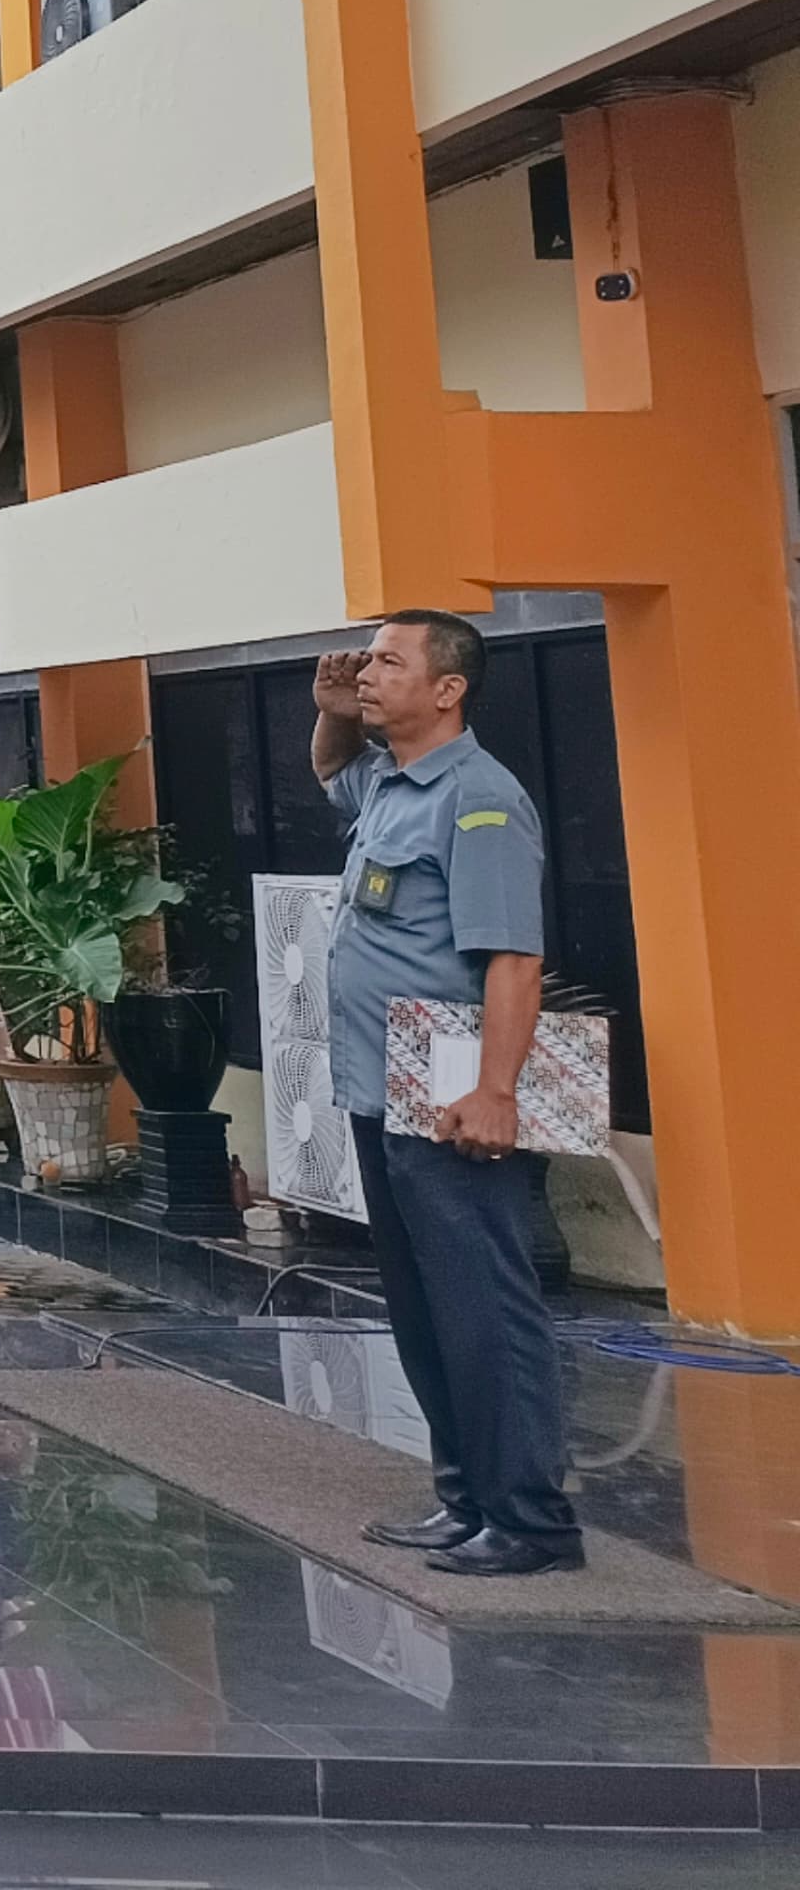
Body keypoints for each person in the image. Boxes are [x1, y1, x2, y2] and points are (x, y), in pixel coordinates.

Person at [312, 614, 580, 1576]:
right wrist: (333, 715)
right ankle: (466, 1493)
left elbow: (513, 956)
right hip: (382, 1086)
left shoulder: (477, 798)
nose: (368, 672)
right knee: (425, 1308)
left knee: (484, 1305)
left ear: (449, 688)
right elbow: (327, 774)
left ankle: (530, 1517)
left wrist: (495, 1090)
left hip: (451, 1094)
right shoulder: (392, 781)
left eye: (391, 661)